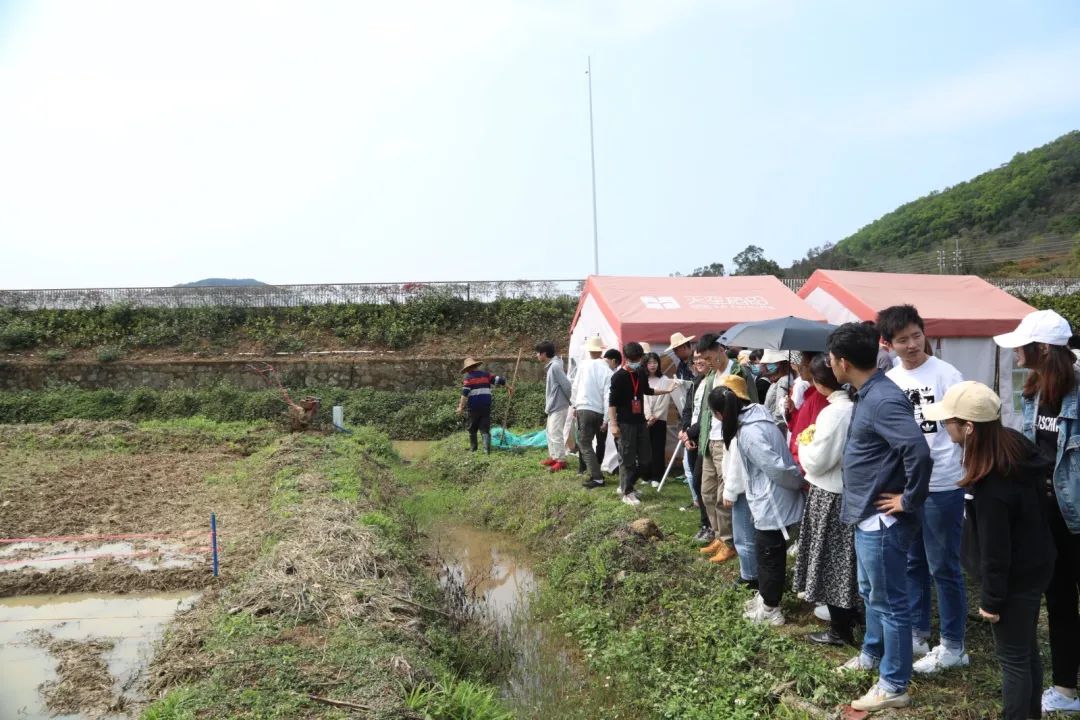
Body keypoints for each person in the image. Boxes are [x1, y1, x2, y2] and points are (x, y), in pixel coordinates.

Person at [922, 381, 1055, 720]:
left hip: (1014, 578)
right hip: (1035, 565)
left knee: (1013, 659)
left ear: (968, 428)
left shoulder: (992, 483)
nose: (943, 425)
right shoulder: (1012, 446)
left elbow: (997, 549)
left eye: (948, 420)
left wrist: (992, 600)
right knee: (1026, 652)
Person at [828, 321, 933, 712]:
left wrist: (910, 498)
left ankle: (893, 683)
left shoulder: (882, 398)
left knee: (891, 602)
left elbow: (918, 451)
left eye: (829, 358)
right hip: (866, 514)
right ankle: (873, 654)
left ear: (841, 362)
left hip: (882, 519)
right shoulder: (867, 393)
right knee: (872, 593)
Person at [994, 309, 1080, 715]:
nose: (1015, 354)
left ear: (1043, 348)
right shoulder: (1032, 391)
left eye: (1021, 346)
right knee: (1059, 600)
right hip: (1047, 515)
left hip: (1076, 515)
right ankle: (1065, 689)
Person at [876, 304, 969, 673]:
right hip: (905, 487)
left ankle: (954, 645)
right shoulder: (891, 383)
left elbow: (965, 429)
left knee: (943, 564)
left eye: (917, 335)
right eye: (903, 340)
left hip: (943, 482)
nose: (913, 344)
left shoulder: (947, 375)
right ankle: (917, 633)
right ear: (889, 344)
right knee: (912, 561)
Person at [711, 376, 805, 626]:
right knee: (768, 552)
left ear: (721, 414)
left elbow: (775, 468)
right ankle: (765, 597)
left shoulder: (750, 433)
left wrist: (797, 482)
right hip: (769, 495)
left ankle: (772, 609)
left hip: (772, 499)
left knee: (769, 554)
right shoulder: (755, 417)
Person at [793, 354, 859, 647]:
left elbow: (817, 461)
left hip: (830, 492)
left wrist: (804, 442)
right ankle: (850, 617)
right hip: (846, 491)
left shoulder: (834, 413)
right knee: (845, 559)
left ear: (820, 383)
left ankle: (839, 629)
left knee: (832, 560)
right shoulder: (852, 407)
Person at [689, 334, 737, 562]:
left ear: (720, 350)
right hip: (710, 440)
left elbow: (749, 404)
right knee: (706, 492)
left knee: (723, 495)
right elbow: (704, 412)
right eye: (703, 359)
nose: (707, 362)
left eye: (709, 357)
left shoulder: (737, 373)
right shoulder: (710, 376)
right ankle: (718, 535)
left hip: (728, 441)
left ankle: (729, 542)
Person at [608, 342, 672, 506]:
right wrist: (613, 425)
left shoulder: (640, 374)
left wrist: (667, 390)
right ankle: (627, 491)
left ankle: (628, 486)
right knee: (627, 458)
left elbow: (647, 391)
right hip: (625, 423)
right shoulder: (618, 377)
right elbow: (612, 403)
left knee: (646, 458)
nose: (637, 362)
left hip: (640, 421)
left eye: (639, 359)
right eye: (634, 359)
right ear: (626, 358)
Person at [572, 336, 613, 489]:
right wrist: (606, 419)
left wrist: (574, 405)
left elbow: (575, 386)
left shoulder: (584, 365)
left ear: (589, 350)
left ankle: (597, 477)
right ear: (601, 350)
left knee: (584, 443)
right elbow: (608, 395)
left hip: (584, 407)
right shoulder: (607, 369)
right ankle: (596, 473)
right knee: (596, 442)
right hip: (599, 411)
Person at [680, 351, 711, 541]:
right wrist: (685, 431)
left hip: (704, 437)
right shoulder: (697, 382)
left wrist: (690, 432)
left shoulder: (713, 382)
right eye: (695, 359)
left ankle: (710, 525)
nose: (698, 362)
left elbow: (707, 414)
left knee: (703, 482)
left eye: (702, 358)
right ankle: (704, 523)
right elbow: (688, 409)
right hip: (691, 437)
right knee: (696, 482)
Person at [787, 351, 829, 469]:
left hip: (805, 462)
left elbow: (812, 432)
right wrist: (793, 410)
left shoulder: (820, 397)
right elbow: (798, 425)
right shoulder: (810, 394)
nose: (799, 368)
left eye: (804, 365)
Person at [456, 357, 506, 453]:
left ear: (468, 369)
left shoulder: (468, 378)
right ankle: (486, 450)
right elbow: (500, 380)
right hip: (485, 407)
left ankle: (473, 449)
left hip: (473, 408)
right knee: (485, 428)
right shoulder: (486, 375)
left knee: (472, 428)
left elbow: (464, 395)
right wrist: (509, 387)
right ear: (476, 366)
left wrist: (460, 407)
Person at [536, 341, 572, 472]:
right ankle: (553, 457)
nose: (536, 355)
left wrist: (570, 402)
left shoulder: (555, 366)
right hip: (553, 405)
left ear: (544, 354)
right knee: (549, 432)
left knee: (556, 433)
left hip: (559, 405)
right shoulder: (552, 366)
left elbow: (567, 386)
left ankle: (561, 461)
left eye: (538, 353)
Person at [644, 352, 673, 488]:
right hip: (645, 419)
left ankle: (657, 476)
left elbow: (665, 400)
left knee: (658, 448)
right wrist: (648, 415)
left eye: (655, 362)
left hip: (660, 419)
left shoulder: (665, 380)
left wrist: (655, 416)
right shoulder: (642, 379)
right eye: (649, 363)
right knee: (645, 447)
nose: (652, 365)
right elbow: (642, 399)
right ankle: (646, 474)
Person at [759, 350, 793, 434]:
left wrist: (772, 427)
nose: (767, 366)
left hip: (776, 428)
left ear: (779, 363)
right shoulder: (780, 378)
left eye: (769, 363)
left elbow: (779, 410)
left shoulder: (784, 380)